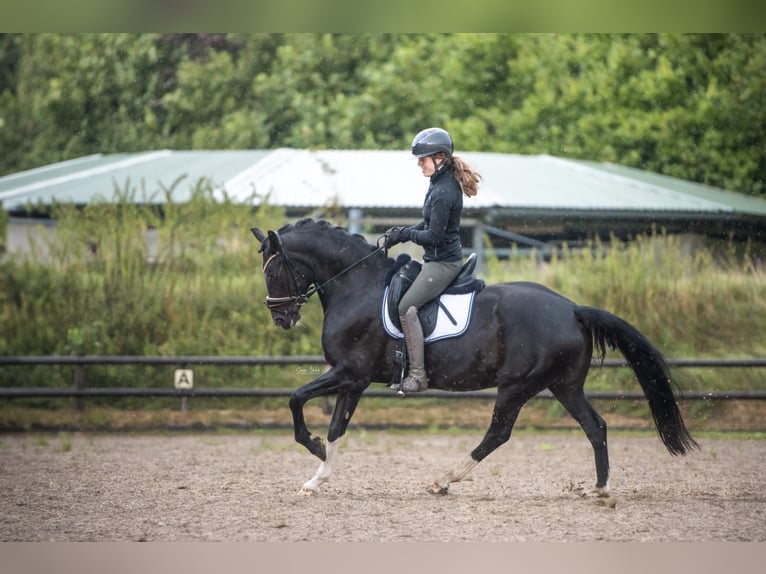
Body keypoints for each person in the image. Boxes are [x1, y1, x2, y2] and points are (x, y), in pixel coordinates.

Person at [384, 127, 482, 393]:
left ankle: (417, 375)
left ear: (440, 157)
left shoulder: (444, 191)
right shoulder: (439, 184)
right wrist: (400, 235)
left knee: (406, 307)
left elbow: (434, 236)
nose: (419, 164)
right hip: (435, 261)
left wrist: (406, 233)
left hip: (443, 264)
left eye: (423, 159)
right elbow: (428, 223)